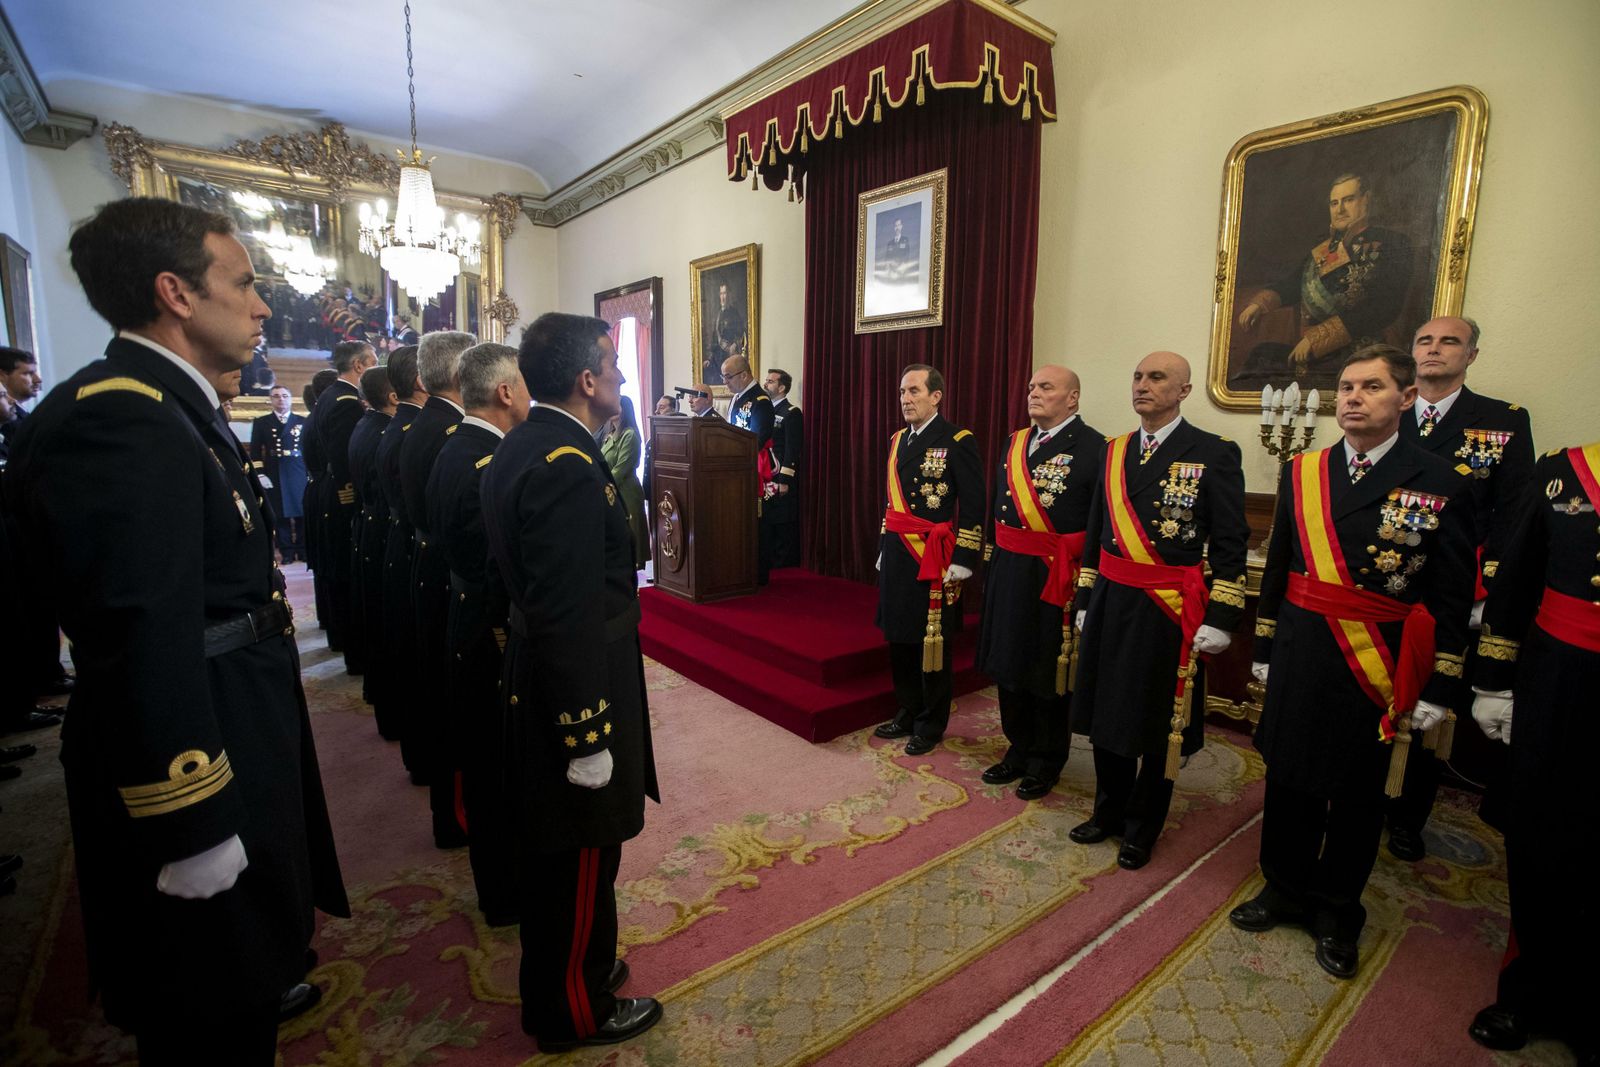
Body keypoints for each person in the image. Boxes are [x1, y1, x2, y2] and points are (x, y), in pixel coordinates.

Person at [4, 196, 347, 1063]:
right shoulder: (122, 418)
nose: (263, 306)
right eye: (244, 283)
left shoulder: (168, 407)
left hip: (234, 710)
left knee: (241, 979)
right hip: (195, 752)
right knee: (206, 1006)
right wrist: (189, 819)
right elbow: (139, 635)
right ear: (177, 293)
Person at [1236, 344, 1473, 980]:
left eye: (1371, 387)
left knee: (1357, 792)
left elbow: (1450, 597)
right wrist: (1264, 647)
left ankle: (1338, 908)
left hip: (1377, 664)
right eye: (1345, 387)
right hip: (1303, 649)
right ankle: (1282, 887)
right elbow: (1279, 568)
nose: (1353, 398)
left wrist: (1441, 684)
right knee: (1288, 777)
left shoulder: (1441, 480)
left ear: (1406, 398)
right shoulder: (1304, 470)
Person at [481, 312, 662, 1052]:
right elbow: (568, 612)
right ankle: (574, 1007)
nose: (619, 378)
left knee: (564, 856)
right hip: (575, 687)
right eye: (613, 367)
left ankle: (579, 966)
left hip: (545, 675)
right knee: (581, 850)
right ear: (588, 380)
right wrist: (587, 734)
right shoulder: (564, 464)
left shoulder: (527, 443)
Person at [1071, 351, 1249, 871]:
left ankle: (1142, 826)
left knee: (1154, 720)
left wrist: (1222, 616)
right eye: (1137, 376)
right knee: (1108, 712)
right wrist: (1085, 597)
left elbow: (1231, 542)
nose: (1142, 385)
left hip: (1167, 608)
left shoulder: (1213, 452)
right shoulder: (1113, 451)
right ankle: (1107, 811)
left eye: (1156, 377)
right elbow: (1095, 531)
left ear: (1184, 391)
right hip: (1112, 598)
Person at [1463, 440, 1598, 1061]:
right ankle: (1528, 991)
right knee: (1540, 837)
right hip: (1559, 685)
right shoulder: (1566, 472)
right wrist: (1493, 682)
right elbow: (1515, 581)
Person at [1384, 315, 1534, 860]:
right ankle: (1361, 795)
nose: (1434, 349)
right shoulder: (1387, 409)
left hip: (1455, 590)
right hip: (1388, 582)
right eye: (1424, 340)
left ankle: (1407, 816)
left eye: (1449, 341)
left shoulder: (1501, 421)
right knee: (1374, 690)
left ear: (1470, 355)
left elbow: (1515, 512)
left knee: (1430, 705)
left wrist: (1488, 589)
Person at [426, 341, 528, 927]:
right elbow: (498, 567)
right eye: (525, 383)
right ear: (505, 391)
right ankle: (506, 892)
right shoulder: (485, 459)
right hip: (488, 627)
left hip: (464, 613)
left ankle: (502, 885)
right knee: (495, 763)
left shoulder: (456, 445)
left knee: (487, 759)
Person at [977, 365, 1104, 800]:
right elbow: (996, 508)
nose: (1033, 392)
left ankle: (1047, 759)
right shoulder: (1015, 442)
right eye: (1031, 386)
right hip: (1009, 568)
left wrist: (1086, 587)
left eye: (1046, 387)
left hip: (1055, 574)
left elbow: (1099, 524)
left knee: (1047, 669)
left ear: (1072, 398)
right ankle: (1018, 748)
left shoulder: (1095, 448)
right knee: (1008, 663)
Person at [872, 364, 984, 755]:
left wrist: (964, 557)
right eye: (902, 392)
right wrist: (883, 548)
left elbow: (974, 504)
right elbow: (891, 502)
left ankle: (930, 723)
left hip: (933, 555)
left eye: (914, 391)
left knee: (931, 642)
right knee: (899, 637)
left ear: (936, 396)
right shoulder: (897, 440)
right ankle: (907, 710)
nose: (906, 399)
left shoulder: (957, 440)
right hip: (898, 552)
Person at [399, 329, 475, 849]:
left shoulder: (426, 422)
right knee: (454, 704)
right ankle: (456, 818)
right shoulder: (449, 431)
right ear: (458, 373)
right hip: (448, 575)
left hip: (429, 564)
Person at [1235, 172, 1414, 386]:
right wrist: (1259, 304)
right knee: (1260, 357)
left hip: (1360, 353)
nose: (1340, 209)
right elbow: (1293, 284)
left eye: (1348, 200)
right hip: (1310, 351)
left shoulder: (1392, 243)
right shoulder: (1323, 249)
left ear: (1366, 199)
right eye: (1334, 203)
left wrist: (1318, 338)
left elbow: (1384, 307)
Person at [309, 340, 377, 671]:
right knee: (345, 573)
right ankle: (353, 648)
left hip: (327, 491)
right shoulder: (346, 402)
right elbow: (345, 459)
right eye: (373, 362)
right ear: (359, 365)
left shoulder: (331, 395)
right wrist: (352, 500)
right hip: (340, 496)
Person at [374, 345, 426, 751]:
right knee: (416, 656)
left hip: (402, 543)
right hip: (412, 547)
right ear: (421, 380)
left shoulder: (402, 426)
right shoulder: (414, 432)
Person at [347, 365, 397, 708]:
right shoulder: (384, 431)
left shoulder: (367, 424)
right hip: (380, 526)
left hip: (369, 523)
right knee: (385, 620)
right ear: (392, 396)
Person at [249, 385, 309, 562]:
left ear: (291, 399)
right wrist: (260, 474)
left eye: (284, 396)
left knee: (301, 512)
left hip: (298, 469)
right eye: (276, 396)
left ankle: (303, 550)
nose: (281, 399)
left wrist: (310, 472)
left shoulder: (302, 421)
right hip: (275, 470)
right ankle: (287, 552)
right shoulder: (262, 422)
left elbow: (309, 449)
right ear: (271, 400)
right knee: (280, 514)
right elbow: (255, 452)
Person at [600, 395, 649, 568]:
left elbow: (620, 470)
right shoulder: (609, 434)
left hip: (626, 493)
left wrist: (600, 485)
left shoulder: (630, 435)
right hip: (612, 491)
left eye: (617, 406)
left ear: (625, 410)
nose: (613, 409)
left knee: (631, 545)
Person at [762, 368, 803, 569]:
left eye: (770, 381)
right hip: (764, 473)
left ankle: (783, 562)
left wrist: (785, 480)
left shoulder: (791, 412)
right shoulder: (765, 411)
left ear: (782, 387)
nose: (765, 384)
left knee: (782, 519)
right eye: (766, 380)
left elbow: (791, 448)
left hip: (779, 475)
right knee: (768, 518)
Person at [702, 281, 744, 386]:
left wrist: (735, 345)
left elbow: (741, 334)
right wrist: (709, 359)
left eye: (725, 293)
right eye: (721, 294)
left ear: (729, 295)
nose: (723, 297)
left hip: (729, 357)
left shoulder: (734, 313)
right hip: (717, 359)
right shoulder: (718, 314)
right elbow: (715, 340)